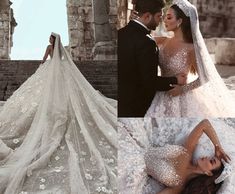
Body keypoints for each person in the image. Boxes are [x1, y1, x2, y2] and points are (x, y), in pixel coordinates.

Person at [0, 33, 117, 194]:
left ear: (52, 41)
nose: (49, 40)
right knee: (62, 93)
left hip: (50, 71)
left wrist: (41, 65)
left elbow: (44, 59)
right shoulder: (61, 50)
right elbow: (64, 60)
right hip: (62, 71)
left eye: (50, 38)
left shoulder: (49, 48)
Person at [130, 0, 235, 117]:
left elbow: (204, 77)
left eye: (169, 18)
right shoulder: (162, 41)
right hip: (159, 93)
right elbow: (139, 38)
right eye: (164, 17)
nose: (163, 20)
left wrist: (182, 90)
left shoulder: (191, 48)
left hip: (180, 97)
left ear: (179, 21)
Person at [118, 0, 187, 117]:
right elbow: (149, 82)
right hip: (137, 108)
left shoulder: (120, 33)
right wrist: (175, 80)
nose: (161, 20)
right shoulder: (146, 42)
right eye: (159, 16)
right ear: (147, 16)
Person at [144, 119, 231, 194]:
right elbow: (204, 124)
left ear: (208, 173)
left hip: (136, 165)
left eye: (211, 161)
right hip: (143, 148)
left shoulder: (179, 186)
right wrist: (217, 146)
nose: (207, 157)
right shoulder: (187, 153)